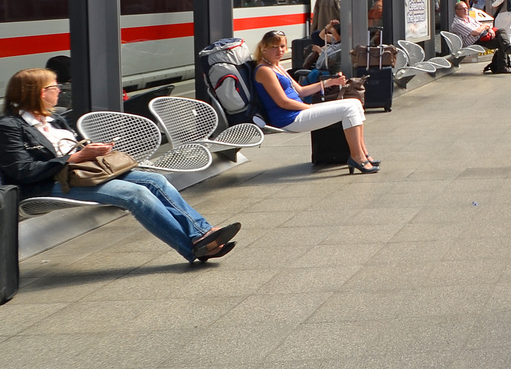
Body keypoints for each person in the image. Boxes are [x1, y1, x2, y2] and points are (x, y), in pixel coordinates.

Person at [0, 68, 241, 263]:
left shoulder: (55, 118)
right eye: (55, 87)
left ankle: (202, 234)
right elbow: (20, 171)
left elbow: (71, 148)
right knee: (135, 194)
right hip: (49, 183)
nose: (59, 90)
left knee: (155, 181)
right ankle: (193, 248)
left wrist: (92, 151)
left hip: (84, 174)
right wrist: (73, 158)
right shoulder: (11, 126)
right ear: (40, 93)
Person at [251, 31, 379, 174]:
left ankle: (363, 153)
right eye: (274, 47)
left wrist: (329, 82)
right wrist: (308, 107)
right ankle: (357, 157)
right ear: (264, 48)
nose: (280, 51)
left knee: (354, 102)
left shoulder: (276, 66)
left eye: (282, 46)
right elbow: (283, 102)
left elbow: (300, 91)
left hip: (298, 111)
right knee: (349, 109)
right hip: (289, 118)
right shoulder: (264, 71)